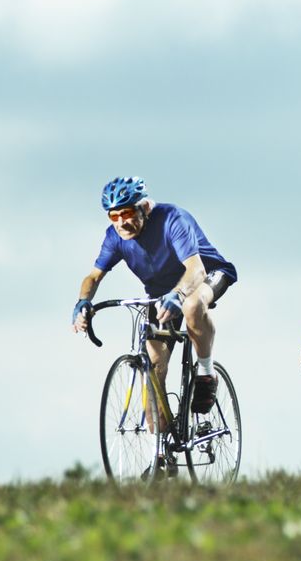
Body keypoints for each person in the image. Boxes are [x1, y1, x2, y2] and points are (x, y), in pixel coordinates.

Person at [72, 176, 237, 416]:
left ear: (145, 207)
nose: (121, 222)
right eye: (113, 216)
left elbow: (196, 269)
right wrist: (82, 301)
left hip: (206, 274)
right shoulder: (114, 237)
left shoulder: (172, 219)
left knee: (192, 305)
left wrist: (179, 293)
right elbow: (93, 277)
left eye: (127, 213)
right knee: (151, 373)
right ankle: (162, 447)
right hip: (161, 294)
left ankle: (205, 373)